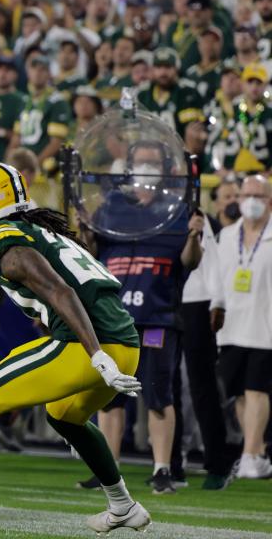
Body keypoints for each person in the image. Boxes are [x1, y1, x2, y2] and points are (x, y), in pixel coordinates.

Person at [0, 162, 149, 539]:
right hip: (125, 345)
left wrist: (95, 355)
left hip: (89, 347)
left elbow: (61, 292)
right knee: (63, 416)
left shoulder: (2, 237)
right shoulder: (41, 228)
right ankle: (124, 506)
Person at [81, 140, 204, 494]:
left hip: (157, 316)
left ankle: (162, 467)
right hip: (115, 318)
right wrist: (85, 232)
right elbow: (93, 254)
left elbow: (191, 261)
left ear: (165, 170)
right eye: (141, 163)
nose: (146, 170)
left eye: (153, 163)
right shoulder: (111, 208)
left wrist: (194, 234)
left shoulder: (179, 210)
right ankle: (108, 467)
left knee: (158, 393)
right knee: (110, 395)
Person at [209, 175, 272, 480]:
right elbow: (217, 281)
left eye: (258, 195)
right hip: (231, 326)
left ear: (269, 200)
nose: (250, 201)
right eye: (247, 194)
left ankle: (248, 455)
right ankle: (256, 452)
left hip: (265, 326)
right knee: (239, 394)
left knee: (257, 390)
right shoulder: (227, 236)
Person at [180, 177, 239, 489]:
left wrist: (217, 302)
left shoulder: (197, 216)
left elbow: (212, 264)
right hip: (170, 302)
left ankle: (217, 460)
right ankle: (172, 463)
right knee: (169, 387)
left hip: (196, 302)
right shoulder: (158, 214)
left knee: (201, 386)